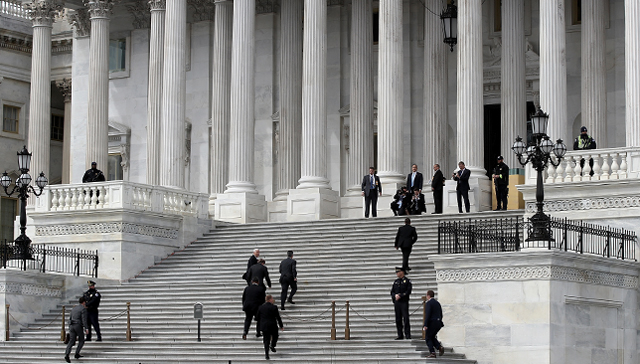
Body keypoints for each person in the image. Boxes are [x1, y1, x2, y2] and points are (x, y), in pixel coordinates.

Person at [256, 294, 284, 360]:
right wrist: (281, 326)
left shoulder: (260, 307)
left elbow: (257, 317)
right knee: (275, 335)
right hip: (272, 325)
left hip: (264, 326)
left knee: (266, 340)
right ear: (270, 299)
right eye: (272, 299)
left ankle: (266, 354)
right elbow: (278, 317)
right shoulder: (274, 307)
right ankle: (273, 345)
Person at [64, 296, 89, 363]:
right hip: (78, 325)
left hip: (71, 325)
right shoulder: (83, 309)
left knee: (71, 341)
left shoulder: (74, 308)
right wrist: (86, 328)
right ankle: (77, 353)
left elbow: (70, 317)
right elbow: (84, 320)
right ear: (84, 302)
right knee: (81, 339)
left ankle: (67, 354)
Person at [390, 267, 412, 340]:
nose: (397, 274)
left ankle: (407, 334)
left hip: (404, 302)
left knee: (406, 318)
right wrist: (395, 296)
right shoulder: (396, 282)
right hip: (397, 302)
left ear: (402, 272)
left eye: (398, 272)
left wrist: (401, 296)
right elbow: (392, 291)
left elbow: (408, 291)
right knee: (398, 319)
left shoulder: (407, 281)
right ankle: (400, 334)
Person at [422, 290, 445, 358]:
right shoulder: (437, 303)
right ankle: (439, 347)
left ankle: (432, 352)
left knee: (428, 338)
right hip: (438, 322)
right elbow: (441, 314)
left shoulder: (429, 303)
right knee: (432, 336)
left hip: (432, 322)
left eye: (426, 295)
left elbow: (428, 314)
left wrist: (425, 324)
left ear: (428, 296)